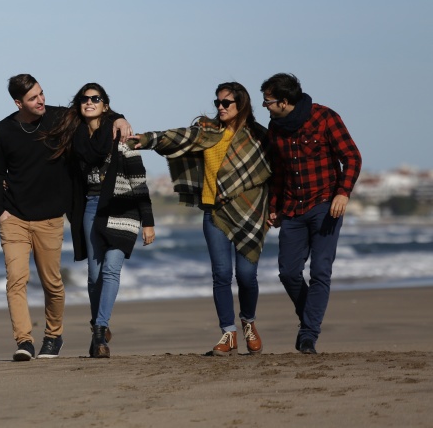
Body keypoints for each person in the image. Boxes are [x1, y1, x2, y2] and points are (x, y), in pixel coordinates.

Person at [0, 74, 132, 361]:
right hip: (14, 217)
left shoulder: (58, 118)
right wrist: (0, 211)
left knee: (51, 283)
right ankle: (24, 341)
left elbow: (91, 106)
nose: (41, 100)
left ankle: (54, 336)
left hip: (50, 218)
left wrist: (120, 118)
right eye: (33, 98)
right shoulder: (3, 131)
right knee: (15, 280)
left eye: (41, 93)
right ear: (19, 103)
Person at [129, 82, 271, 356]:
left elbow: (271, 174)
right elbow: (178, 137)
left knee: (246, 276)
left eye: (226, 103)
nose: (220, 107)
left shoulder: (258, 137)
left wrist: (275, 208)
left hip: (250, 213)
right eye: (217, 102)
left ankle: (249, 322)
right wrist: (146, 139)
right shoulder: (208, 132)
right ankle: (228, 332)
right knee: (220, 275)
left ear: (241, 104)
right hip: (214, 211)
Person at [42, 83, 156, 358]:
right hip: (90, 208)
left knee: (110, 271)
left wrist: (147, 220)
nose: (90, 102)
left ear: (105, 105)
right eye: (85, 98)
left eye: (96, 98)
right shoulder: (74, 138)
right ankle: (99, 327)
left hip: (122, 207)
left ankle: (99, 331)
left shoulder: (121, 135)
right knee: (94, 277)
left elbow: (138, 181)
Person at [260, 73, 361, 355]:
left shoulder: (325, 117)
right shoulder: (275, 129)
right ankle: (309, 319)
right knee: (288, 272)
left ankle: (308, 335)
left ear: (284, 101)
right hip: (292, 209)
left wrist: (343, 193)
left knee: (320, 271)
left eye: (267, 101)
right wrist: (274, 207)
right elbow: (279, 172)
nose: (264, 106)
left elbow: (352, 157)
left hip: (325, 205)